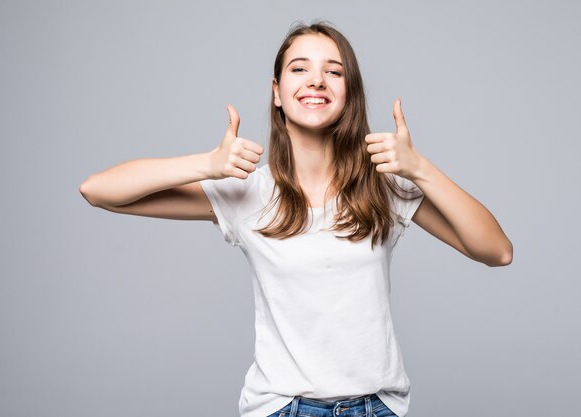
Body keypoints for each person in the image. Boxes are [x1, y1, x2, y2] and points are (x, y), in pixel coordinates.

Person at [80, 20, 513, 417]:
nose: (316, 81)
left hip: (376, 409)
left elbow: (497, 251)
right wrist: (207, 164)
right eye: (299, 69)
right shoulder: (247, 191)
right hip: (282, 409)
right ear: (277, 92)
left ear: (349, 91)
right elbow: (98, 191)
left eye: (334, 71)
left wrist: (420, 169)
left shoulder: (383, 186)